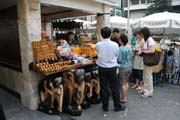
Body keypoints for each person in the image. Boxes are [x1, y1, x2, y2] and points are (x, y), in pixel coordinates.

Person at [96, 27, 125, 112]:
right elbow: (117, 55)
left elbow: (98, 53)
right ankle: (117, 106)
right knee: (115, 88)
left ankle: (105, 106)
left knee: (104, 87)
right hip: (112, 68)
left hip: (102, 68)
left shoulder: (98, 45)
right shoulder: (115, 45)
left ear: (101, 34)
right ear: (110, 34)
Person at [137, 27, 155, 98]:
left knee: (148, 76)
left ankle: (149, 92)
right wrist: (141, 51)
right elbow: (147, 49)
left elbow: (152, 50)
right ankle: (145, 89)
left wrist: (143, 52)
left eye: (141, 34)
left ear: (144, 33)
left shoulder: (149, 39)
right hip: (146, 60)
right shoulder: (147, 39)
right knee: (145, 76)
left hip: (149, 61)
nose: (141, 35)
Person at [118, 34, 132, 104]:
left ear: (121, 40)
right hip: (129, 66)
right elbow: (131, 56)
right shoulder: (129, 47)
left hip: (123, 67)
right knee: (126, 82)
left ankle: (123, 98)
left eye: (119, 39)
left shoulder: (120, 48)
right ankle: (125, 96)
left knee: (122, 83)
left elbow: (119, 59)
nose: (119, 40)